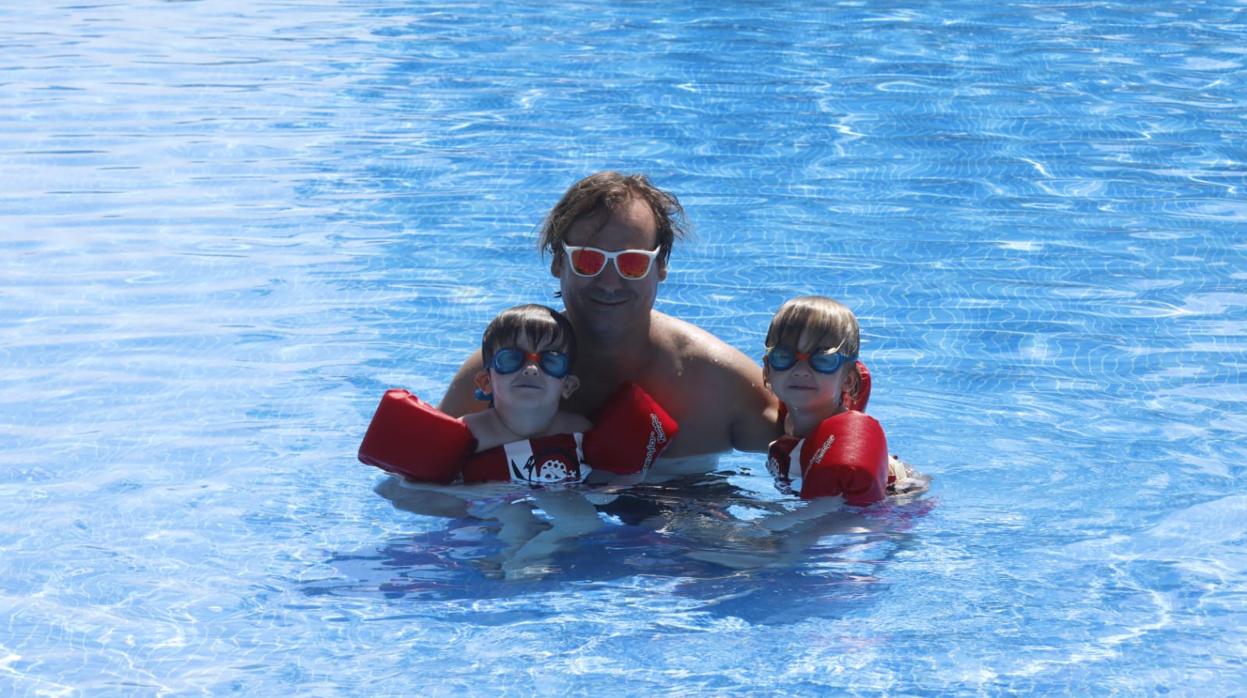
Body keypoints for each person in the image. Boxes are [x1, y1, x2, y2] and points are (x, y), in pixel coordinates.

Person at [440, 172, 781, 474]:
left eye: (631, 264)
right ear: (559, 263)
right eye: (589, 260)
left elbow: (808, 456)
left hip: (685, 519)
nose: (609, 282)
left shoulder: (712, 381)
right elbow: (420, 480)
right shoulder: (497, 373)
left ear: (660, 266)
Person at [761, 295, 907, 504]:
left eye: (822, 360)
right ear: (767, 371)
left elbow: (828, 520)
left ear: (848, 379)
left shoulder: (842, 455)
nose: (801, 370)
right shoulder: (789, 423)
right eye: (784, 357)